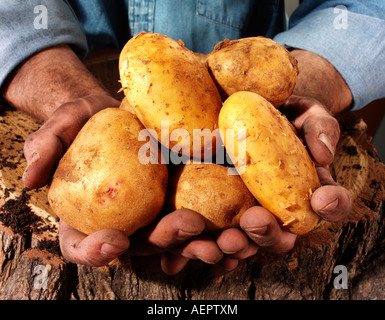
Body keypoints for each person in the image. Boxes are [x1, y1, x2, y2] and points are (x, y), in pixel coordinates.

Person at [0, 0, 384, 275]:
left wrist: (306, 85)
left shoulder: (235, 102)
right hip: (86, 66)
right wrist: (61, 90)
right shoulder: (134, 113)